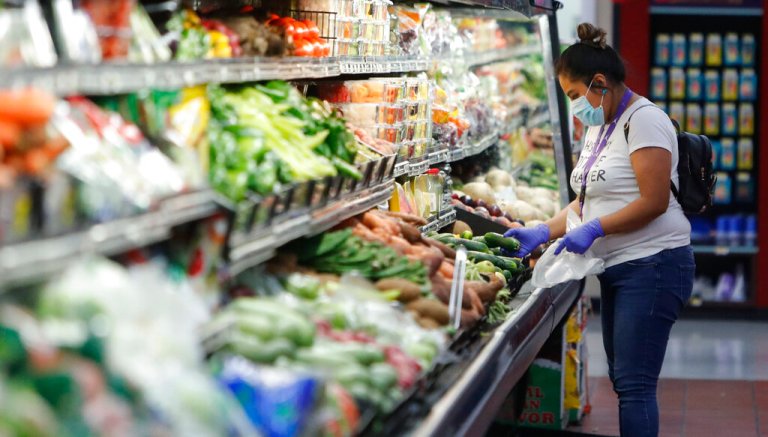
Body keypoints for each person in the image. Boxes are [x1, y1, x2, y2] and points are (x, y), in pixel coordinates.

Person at [504, 23, 694, 437]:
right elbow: (585, 199)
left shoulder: (645, 121)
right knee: (624, 381)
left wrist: (593, 229)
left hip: (655, 264)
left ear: (600, 83)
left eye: (574, 95)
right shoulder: (600, 125)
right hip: (620, 265)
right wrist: (543, 230)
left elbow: (654, 200)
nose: (574, 105)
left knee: (635, 386)